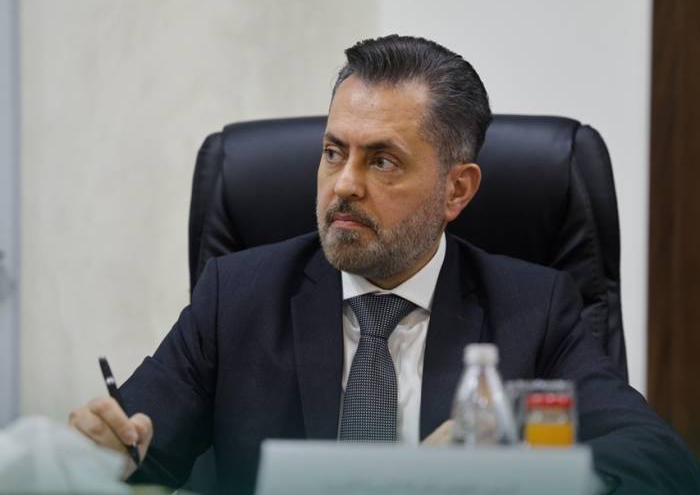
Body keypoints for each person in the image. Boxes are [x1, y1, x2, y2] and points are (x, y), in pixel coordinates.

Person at [69, 35, 700, 495]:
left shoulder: (534, 311)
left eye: (383, 161)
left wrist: (515, 475)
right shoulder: (235, 296)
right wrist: (104, 454)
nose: (344, 184)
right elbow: (139, 443)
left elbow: (659, 461)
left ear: (456, 190)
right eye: (333, 152)